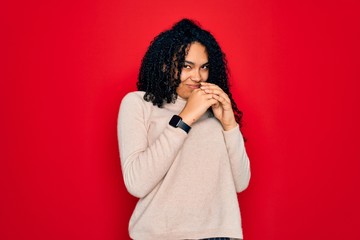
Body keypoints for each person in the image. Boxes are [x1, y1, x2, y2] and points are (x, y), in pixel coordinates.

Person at [117, 18, 250, 240]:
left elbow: (241, 183)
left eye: (204, 67)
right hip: (157, 235)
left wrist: (229, 125)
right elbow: (137, 183)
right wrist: (186, 117)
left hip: (218, 235)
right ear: (164, 64)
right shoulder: (138, 104)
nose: (197, 77)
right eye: (186, 66)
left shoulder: (214, 109)